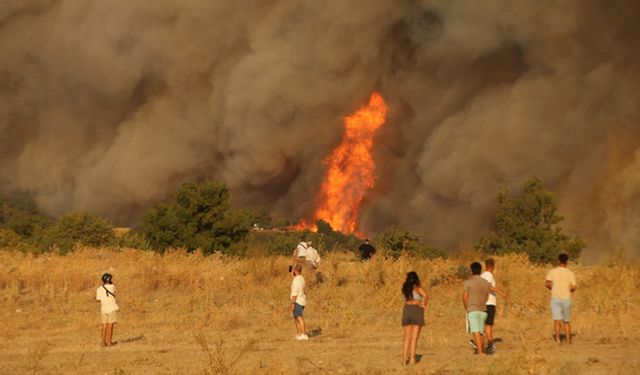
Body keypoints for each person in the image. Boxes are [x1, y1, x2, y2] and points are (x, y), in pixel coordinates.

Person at [463, 262, 504, 355]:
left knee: (475, 331)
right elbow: (486, 294)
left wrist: (467, 307)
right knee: (481, 331)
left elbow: (465, 296)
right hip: (483, 308)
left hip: (473, 308)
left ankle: (481, 352)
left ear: (471, 270)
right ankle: (484, 349)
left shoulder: (468, 282)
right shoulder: (485, 282)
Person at [545, 253, 577, 344]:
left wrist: (552, 288)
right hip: (566, 299)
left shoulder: (552, 271)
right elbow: (574, 287)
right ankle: (568, 340)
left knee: (557, 320)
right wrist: (569, 290)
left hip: (555, 299)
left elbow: (547, 283)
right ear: (567, 262)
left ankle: (558, 339)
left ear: (558, 261)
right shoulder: (570, 273)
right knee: (566, 321)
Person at [401, 271, 428, 366]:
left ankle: (404, 360)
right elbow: (426, 295)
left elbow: (404, 300)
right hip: (416, 309)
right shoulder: (417, 287)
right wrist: (423, 304)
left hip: (407, 310)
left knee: (406, 337)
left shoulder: (405, 288)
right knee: (414, 337)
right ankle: (412, 358)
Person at [481, 258, 501, 354]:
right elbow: (488, 286)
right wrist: (500, 292)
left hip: (482, 302)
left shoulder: (482, 275)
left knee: (484, 325)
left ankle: (481, 343)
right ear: (492, 266)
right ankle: (490, 344)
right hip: (489, 302)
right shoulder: (488, 275)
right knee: (489, 325)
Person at [96, 272, 119, 347]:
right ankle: (109, 342)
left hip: (103, 309)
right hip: (111, 308)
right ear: (109, 280)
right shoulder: (112, 287)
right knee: (110, 325)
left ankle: (103, 342)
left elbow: (98, 299)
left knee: (104, 325)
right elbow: (115, 288)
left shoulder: (99, 289)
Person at [290, 264, 308, 340]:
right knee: (296, 317)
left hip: (297, 301)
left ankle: (303, 334)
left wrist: (292, 303)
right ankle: (300, 334)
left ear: (295, 271)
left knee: (299, 317)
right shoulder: (301, 278)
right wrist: (293, 276)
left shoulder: (296, 281)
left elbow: (295, 292)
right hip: (302, 300)